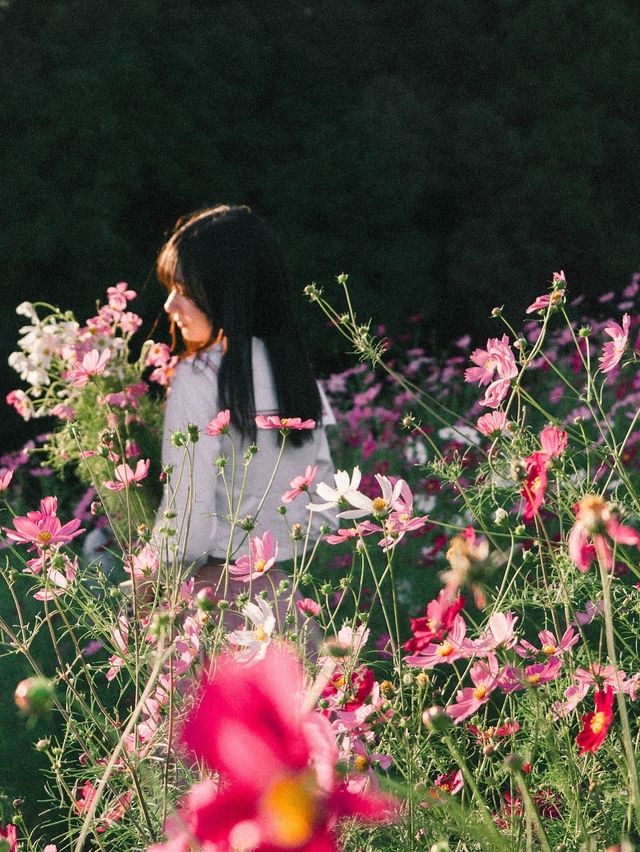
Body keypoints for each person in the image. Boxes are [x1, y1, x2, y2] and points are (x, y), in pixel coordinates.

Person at [153, 204, 335, 624]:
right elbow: (322, 499)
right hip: (284, 597)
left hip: (211, 599)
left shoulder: (200, 376)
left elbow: (188, 517)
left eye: (182, 288)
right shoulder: (294, 373)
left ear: (221, 292)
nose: (169, 305)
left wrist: (153, 574)